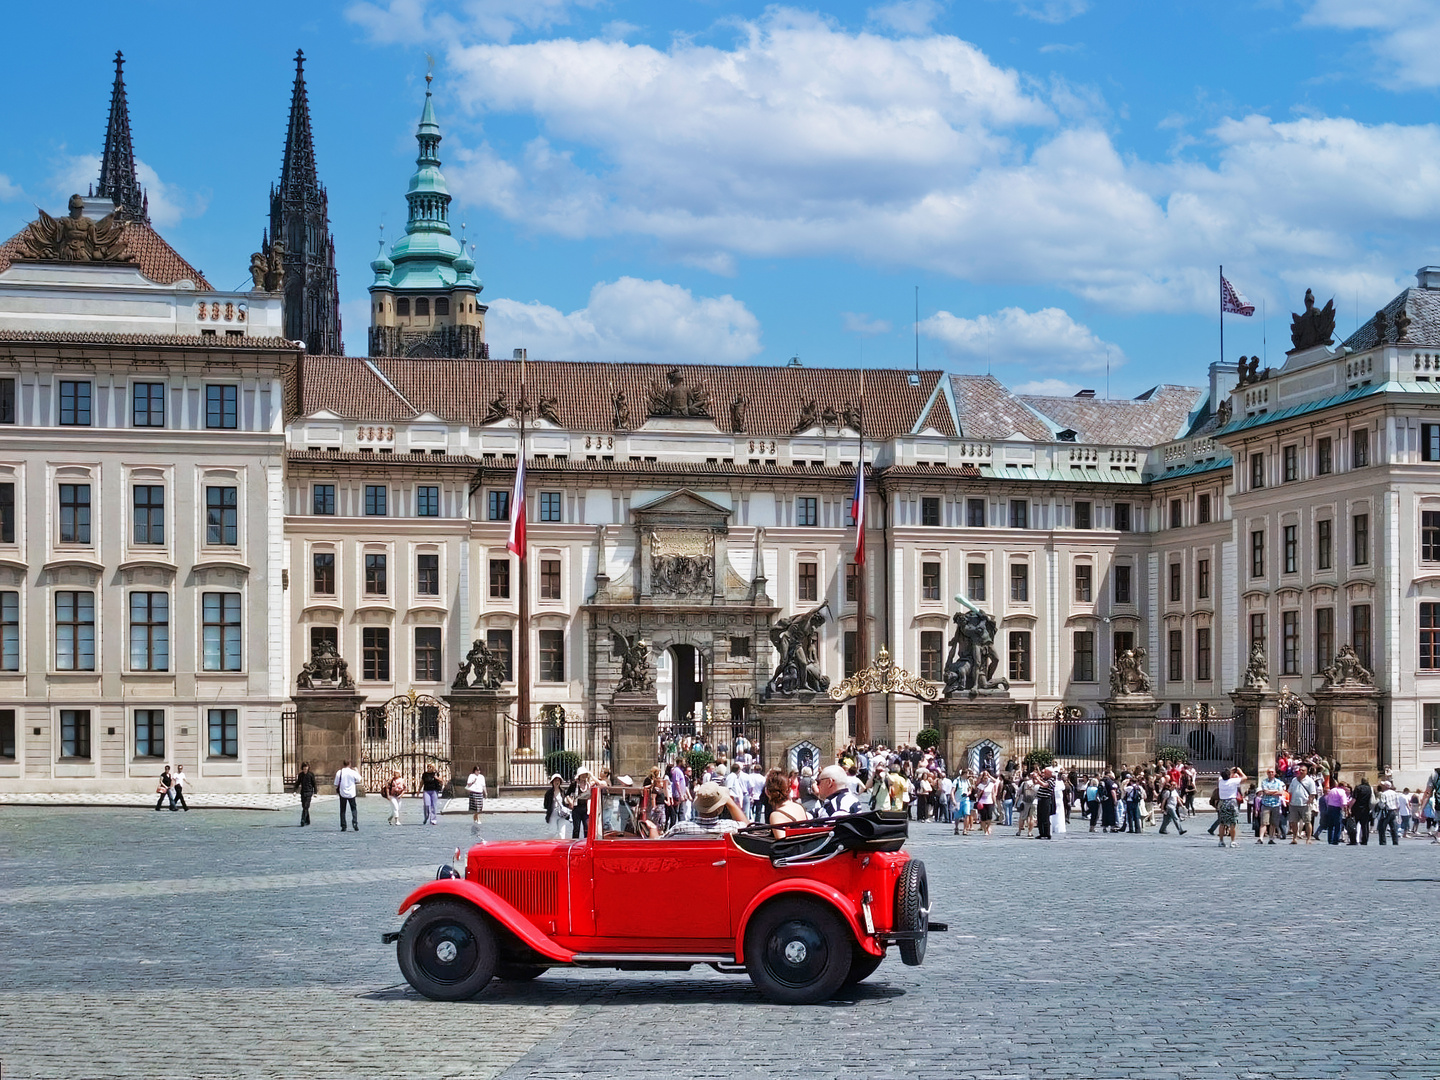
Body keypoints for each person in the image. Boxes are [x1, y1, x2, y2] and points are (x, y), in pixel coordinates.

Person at [664, 781, 748, 837]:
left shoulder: (679, 828)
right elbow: (748, 827)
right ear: (719, 808)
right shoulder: (731, 827)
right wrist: (729, 801)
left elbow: (659, 842)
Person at [765, 769, 807, 837]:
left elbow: (783, 844)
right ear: (789, 790)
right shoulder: (799, 807)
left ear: (767, 792)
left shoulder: (776, 815)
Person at [1215, 766, 1247, 848]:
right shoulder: (1233, 781)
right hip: (1231, 802)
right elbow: (1244, 777)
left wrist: (1230, 771)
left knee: (1222, 823)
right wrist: (1239, 771)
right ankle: (1232, 841)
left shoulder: (1220, 781)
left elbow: (1222, 776)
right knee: (1233, 823)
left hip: (1222, 802)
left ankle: (1221, 841)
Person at [1287, 763, 1317, 844]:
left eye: (1303, 770)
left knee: (1307, 822)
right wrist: (1289, 801)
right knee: (1294, 822)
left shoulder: (1310, 781)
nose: (1301, 771)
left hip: (1305, 804)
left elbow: (1313, 793)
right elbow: (1290, 791)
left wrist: (1310, 801)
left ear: (1306, 772)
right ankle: (1294, 838)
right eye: (1300, 770)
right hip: (1294, 804)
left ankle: (1308, 838)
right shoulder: (1294, 780)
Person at [1256, 767, 1285, 844]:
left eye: (1272, 772)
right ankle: (1261, 838)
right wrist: (1275, 791)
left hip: (1276, 804)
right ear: (1267, 773)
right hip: (1266, 804)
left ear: (1275, 773)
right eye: (1269, 772)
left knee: (1273, 823)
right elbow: (1265, 791)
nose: (1271, 773)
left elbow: (1281, 792)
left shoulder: (1279, 782)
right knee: (1264, 822)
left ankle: (1271, 838)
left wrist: (1270, 792)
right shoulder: (1264, 782)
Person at [335, 759, 361, 831]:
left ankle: (343, 825)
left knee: (343, 810)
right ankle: (355, 822)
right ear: (349, 764)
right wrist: (357, 771)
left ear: (343, 764)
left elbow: (336, 783)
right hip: (351, 793)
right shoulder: (352, 772)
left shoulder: (339, 772)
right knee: (353, 808)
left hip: (342, 793)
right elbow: (359, 779)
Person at [568, 769, 594, 838]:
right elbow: (567, 794)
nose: (583, 776)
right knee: (576, 828)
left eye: (585, 774)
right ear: (579, 776)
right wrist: (570, 801)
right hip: (577, 809)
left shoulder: (589, 785)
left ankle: (586, 843)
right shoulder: (574, 784)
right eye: (582, 774)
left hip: (586, 809)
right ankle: (575, 843)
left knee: (587, 828)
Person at [1321, 780, 1349, 845]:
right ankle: (1335, 840)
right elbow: (1344, 803)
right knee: (1338, 825)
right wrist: (1346, 811)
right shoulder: (1342, 792)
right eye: (1345, 786)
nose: (1346, 788)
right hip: (1337, 809)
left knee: (1330, 825)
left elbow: (1327, 799)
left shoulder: (1332, 790)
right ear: (1342, 786)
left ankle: (1330, 839)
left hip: (1330, 808)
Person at [543, 773, 569, 838]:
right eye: (555, 781)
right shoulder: (549, 793)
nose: (557, 782)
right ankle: (549, 845)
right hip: (553, 814)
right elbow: (545, 805)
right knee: (552, 832)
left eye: (558, 781)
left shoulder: (563, 791)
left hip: (562, 814)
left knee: (562, 834)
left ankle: (561, 847)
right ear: (552, 782)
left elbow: (566, 803)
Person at [1348, 775, 1372, 845]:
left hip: (1357, 808)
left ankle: (1353, 840)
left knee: (1354, 825)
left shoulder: (1358, 788)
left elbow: (1354, 799)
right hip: (1366, 809)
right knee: (1365, 826)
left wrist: (1349, 807)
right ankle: (1364, 841)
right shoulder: (1369, 788)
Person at [465, 765, 486, 832]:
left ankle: (475, 818)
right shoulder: (471, 776)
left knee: (479, 807)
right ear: (474, 771)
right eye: (477, 770)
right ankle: (478, 819)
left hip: (480, 792)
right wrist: (473, 782)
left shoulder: (481, 777)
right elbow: (468, 784)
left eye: (479, 770)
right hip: (474, 792)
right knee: (476, 806)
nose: (478, 772)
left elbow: (483, 785)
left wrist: (485, 792)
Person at [297, 762, 317, 826]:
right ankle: (307, 820)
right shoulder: (300, 775)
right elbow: (298, 783)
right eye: (304, 769)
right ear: (302, 769)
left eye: (306, 768)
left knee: (306, 806)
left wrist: (315, 792)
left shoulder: (311, 774)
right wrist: (294, 790)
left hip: (309, 792)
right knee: (304, 806)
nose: (305, 770)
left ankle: (302, 820)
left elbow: (314, 784)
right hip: (303, 792)